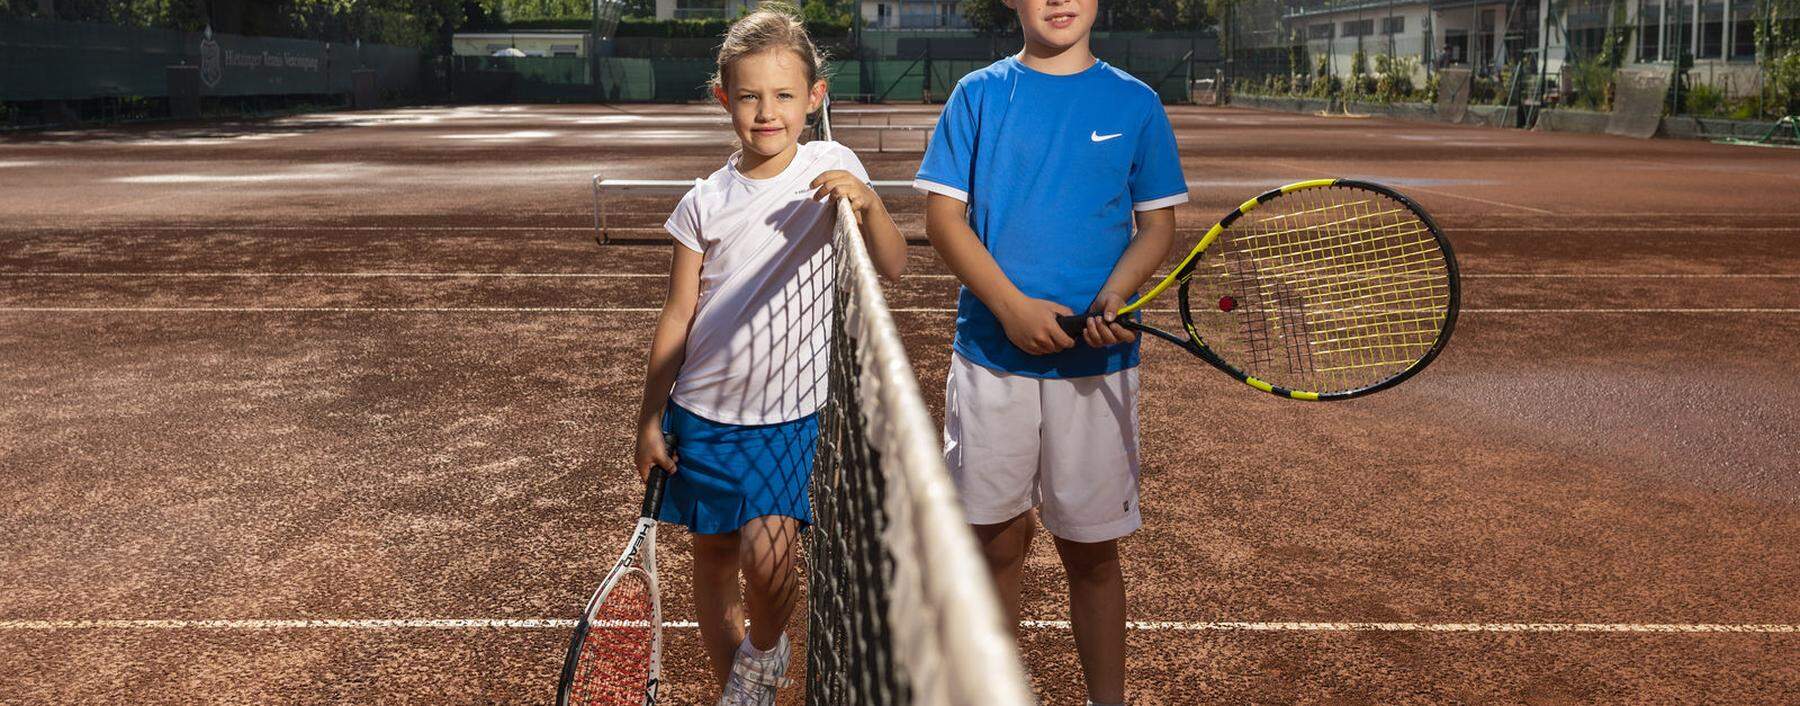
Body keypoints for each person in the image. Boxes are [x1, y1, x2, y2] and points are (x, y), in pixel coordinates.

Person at [912, 0, 1188, 701]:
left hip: (1096, 369)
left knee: (1092, 554)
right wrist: (1010, 308)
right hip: (989, 359)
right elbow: (943, 220)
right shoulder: (978, 95)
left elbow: (1156, 226)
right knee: (995, 543)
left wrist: (1118, 295)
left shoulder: (1136, 102)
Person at [630, 6, 905, 705]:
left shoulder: (832, 165)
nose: (766, 112)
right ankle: (743, 691)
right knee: (716, 556)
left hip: (787, 420)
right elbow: (678, 313)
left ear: (816, 97)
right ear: (724, 100)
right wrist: (649, 417)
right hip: (702, 412)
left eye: (783, 95)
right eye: (749, 96)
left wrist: (869, 205)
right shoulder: (703, 201)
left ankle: (762, 655)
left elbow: (894, 266)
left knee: (772, 561)